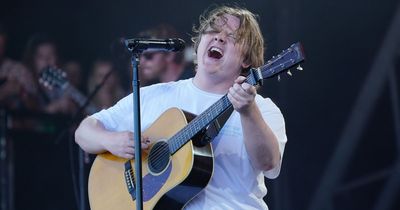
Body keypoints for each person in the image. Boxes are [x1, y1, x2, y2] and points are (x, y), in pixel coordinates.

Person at [75, 5, 287, 210]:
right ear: (198, 43)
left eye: (232, 36)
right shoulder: (153, 95)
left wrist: (248, 113)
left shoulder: (261, 109)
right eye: (212, 30)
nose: (219, 37)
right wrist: (111, 140)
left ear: (248, 58)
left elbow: (268, 164)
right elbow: (84, 131)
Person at [0, 24, 38, 111]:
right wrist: (4, 92)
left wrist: (22, 91)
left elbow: (37, 107)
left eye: (1, 47)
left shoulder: (18, 70)